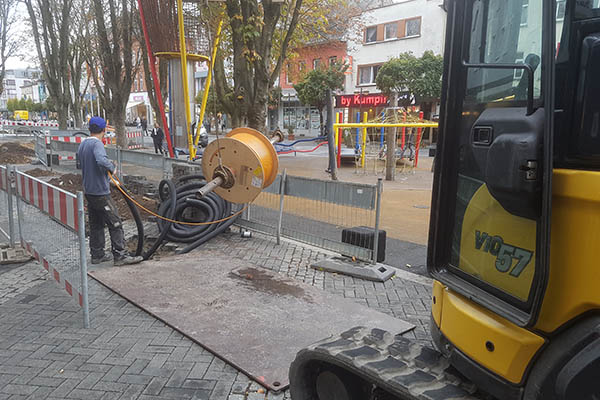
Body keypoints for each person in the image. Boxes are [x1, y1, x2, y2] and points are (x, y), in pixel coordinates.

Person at [77, 116, 143, 266]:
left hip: (89, 191)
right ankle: (120, 255)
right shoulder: (97, 144)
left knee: (97, 224)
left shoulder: (83, 145)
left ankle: (97, 254)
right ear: (104, 129)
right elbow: (100, 160)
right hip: (100, 193)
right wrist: (112, 168)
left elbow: (86, 165)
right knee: (115, 223)